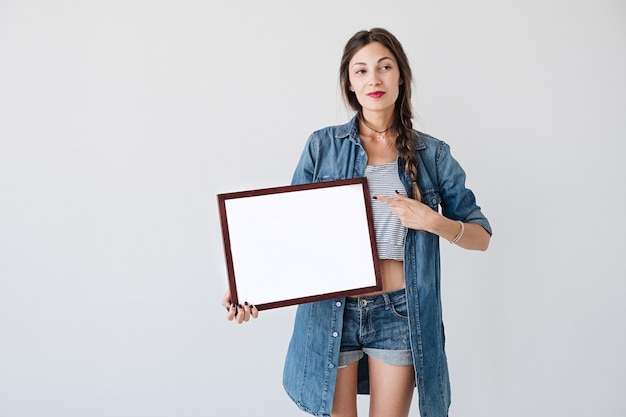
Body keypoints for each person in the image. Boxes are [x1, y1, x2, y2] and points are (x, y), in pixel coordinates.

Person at [222, 27, 492, 417]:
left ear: (401, 75)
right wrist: (246, 288)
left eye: (384, 66)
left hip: (399, 311)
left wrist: (434, 221)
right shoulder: (322, 146)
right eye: (361, 70)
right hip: (332, 309)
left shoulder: (432, 154)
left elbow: (481, 237)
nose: (374, 79)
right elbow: (286, 233)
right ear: (350, 84)